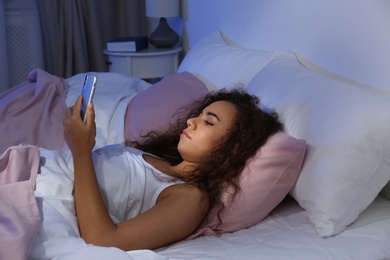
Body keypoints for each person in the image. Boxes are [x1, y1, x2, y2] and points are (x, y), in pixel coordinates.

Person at [61, 88, 284, 252]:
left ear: (232, 149)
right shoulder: (157, 158)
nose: (191, 121)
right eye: (199, 114)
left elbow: (102, 240)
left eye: (209, 122)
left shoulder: (190, 198)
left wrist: (81, 151)